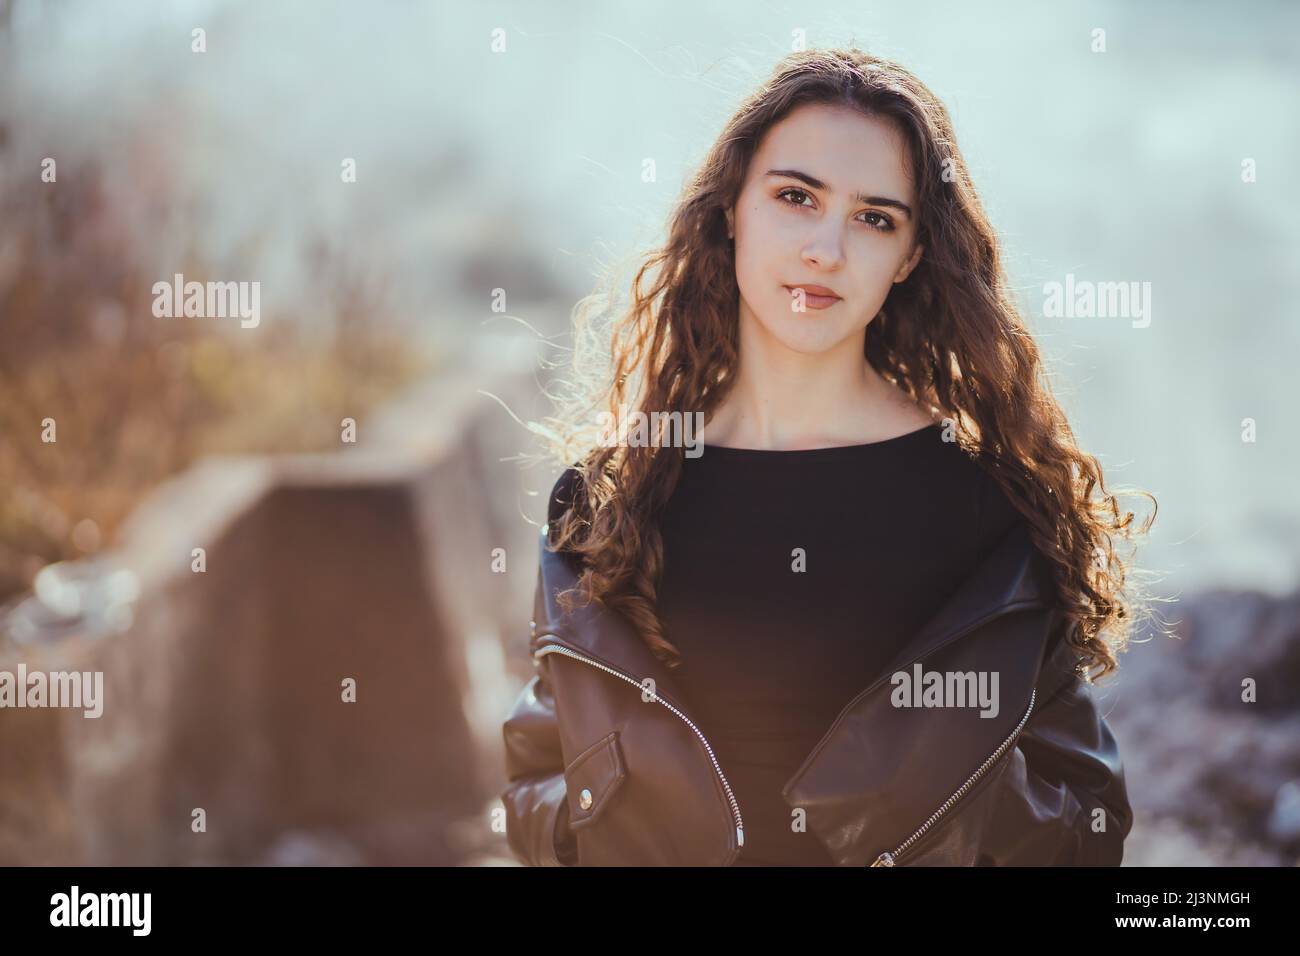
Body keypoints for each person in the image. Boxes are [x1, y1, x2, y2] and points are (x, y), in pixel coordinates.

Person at [501, 47, 1156, 867]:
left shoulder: (984, 504)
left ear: (911, 257)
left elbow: (1084, 812)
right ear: (731, 208)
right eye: (795, 197)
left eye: (875, 217)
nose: (826, 249)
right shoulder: (613, 494)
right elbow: (539, 771)